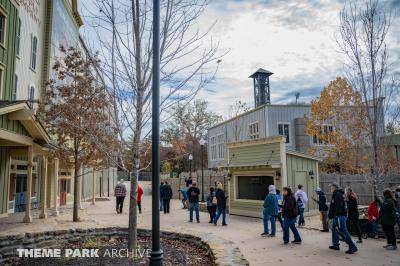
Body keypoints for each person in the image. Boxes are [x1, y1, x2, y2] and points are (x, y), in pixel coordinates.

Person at [328, 182, 358, 254]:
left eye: (331, 187)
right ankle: (336, 245)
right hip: (338, 215)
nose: (330, 188)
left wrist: (335, 215)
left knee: (343, 230)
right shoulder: (338, 194)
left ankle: (352, 246)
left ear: (334, 187)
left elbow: (339, 205)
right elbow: (334, 205)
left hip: (339, 216)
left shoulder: (337, 194)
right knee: (334, 229)